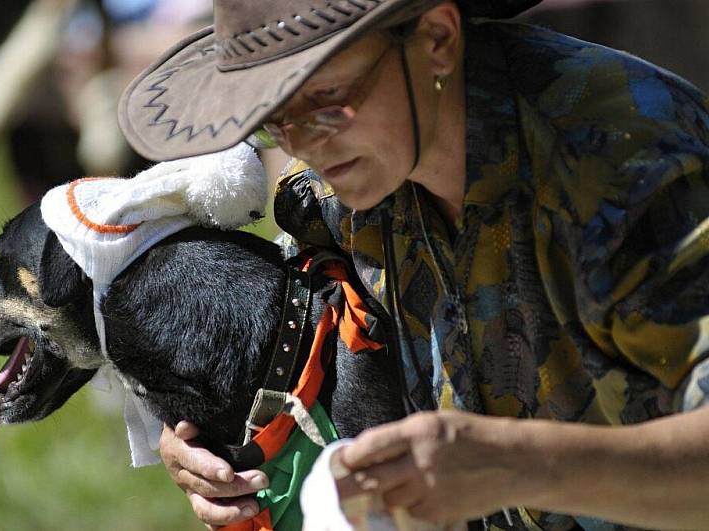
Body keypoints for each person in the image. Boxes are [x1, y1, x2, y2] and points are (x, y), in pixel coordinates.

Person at [117, 0, 709, 528]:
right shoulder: (340, 192)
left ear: (436, 39)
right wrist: (207, 442)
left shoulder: (629, 171)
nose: (302, 144)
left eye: (326, 99)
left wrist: (513, 463)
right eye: (275, 119)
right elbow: (292, 344)